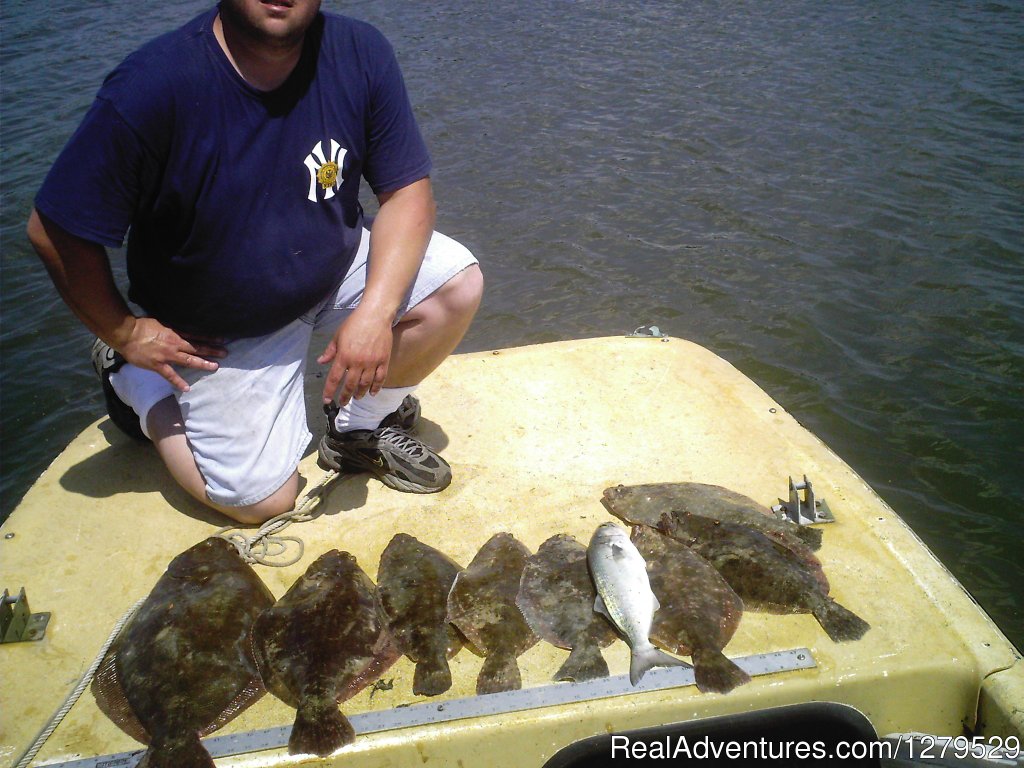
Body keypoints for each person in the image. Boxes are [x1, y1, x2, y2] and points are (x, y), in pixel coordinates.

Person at [26, 0, 483, 525]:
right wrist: (125, 330)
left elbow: (407, 192)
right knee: (260, 502)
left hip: (333, 264)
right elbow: (54, 228)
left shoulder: (359, 50)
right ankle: (133, 379)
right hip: (221, 326)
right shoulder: (152, 85)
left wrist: (376, 312)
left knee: (455, 283)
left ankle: (357, 429)